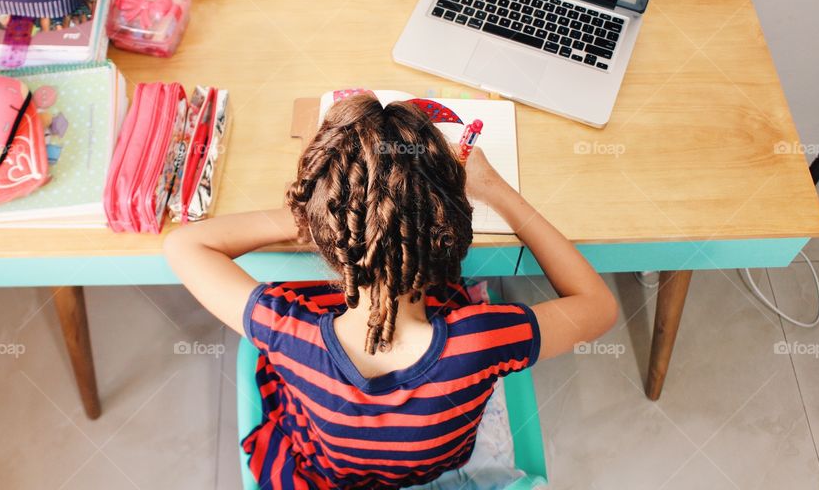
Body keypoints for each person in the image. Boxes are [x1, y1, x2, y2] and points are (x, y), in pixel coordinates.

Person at [164, 94, 618, 488]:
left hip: (328, 470)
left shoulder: (286, 333)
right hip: (437, 465)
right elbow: (598, 306)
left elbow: (185, 243)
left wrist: (333, 213)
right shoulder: (483, 341)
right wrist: (498, 191)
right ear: (451, 226)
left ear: (327, 232)